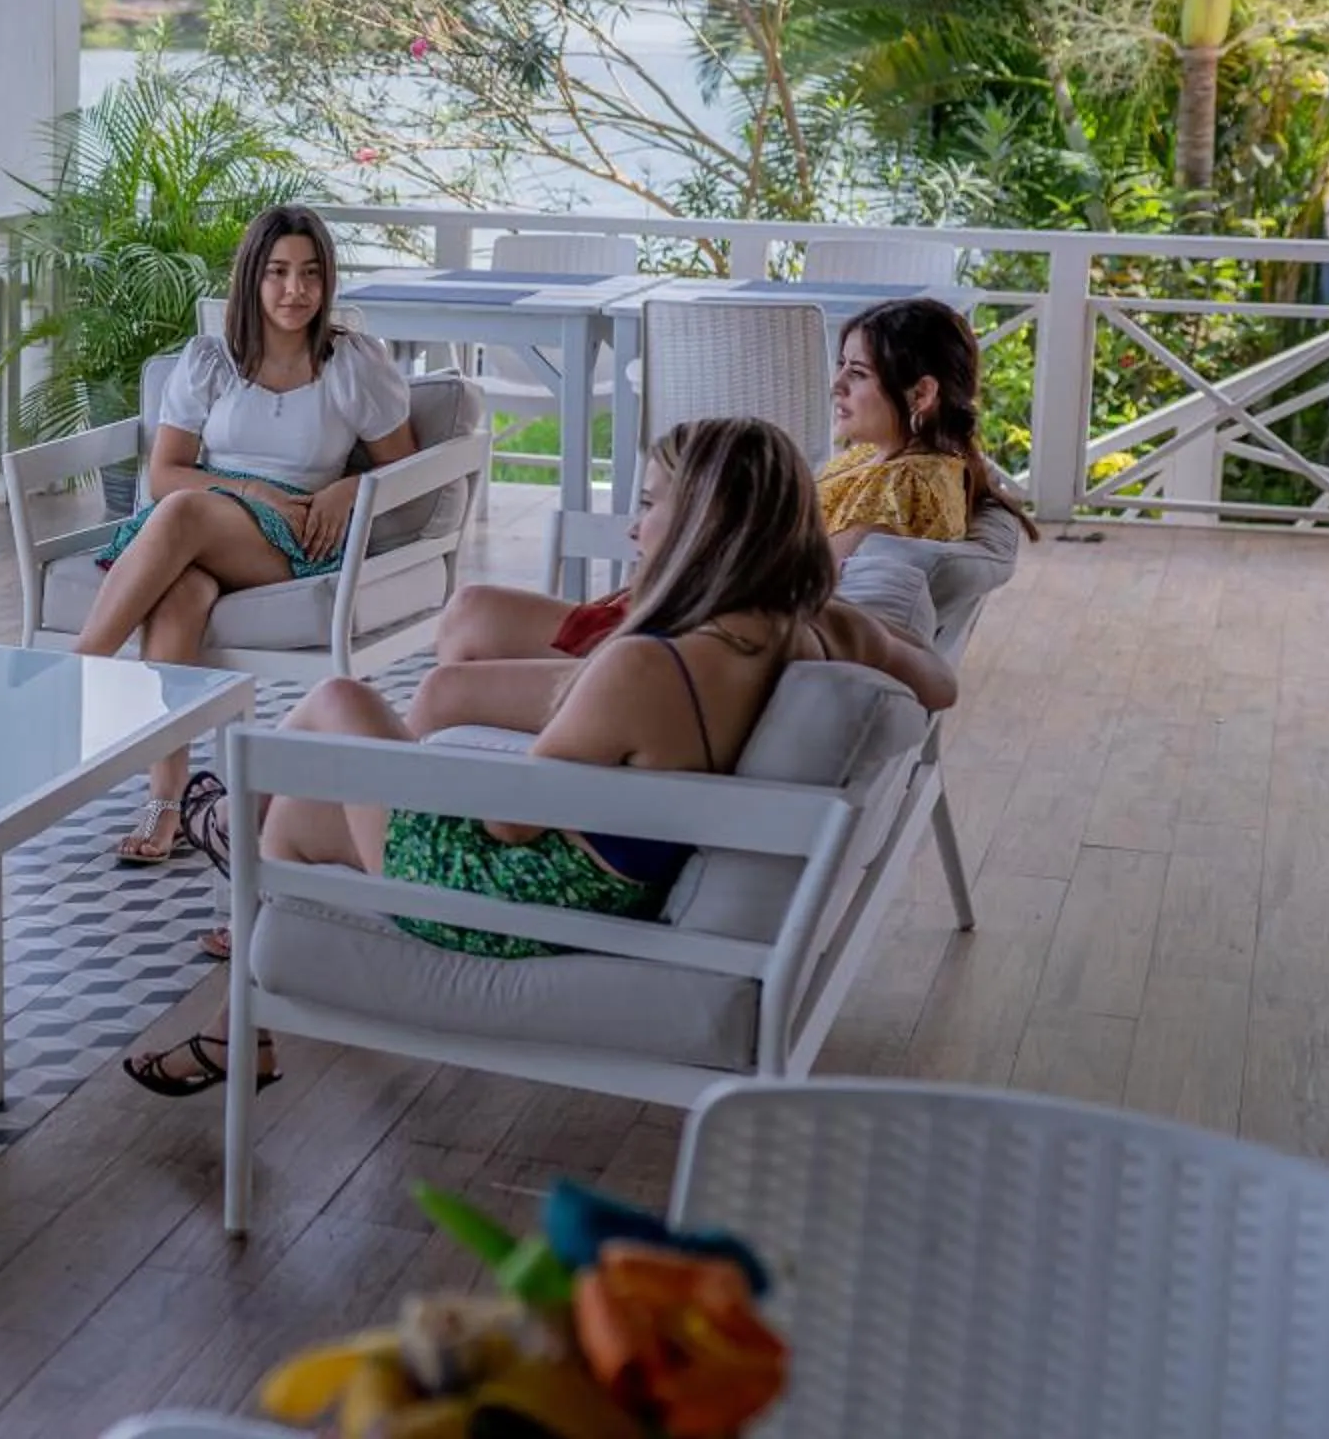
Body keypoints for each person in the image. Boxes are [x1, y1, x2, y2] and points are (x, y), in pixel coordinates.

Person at [124, 417, 958, 1096]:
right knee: (299, 818)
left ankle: (224, 821)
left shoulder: (646, 667)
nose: (633, 526)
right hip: (605, 884)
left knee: (339, 705)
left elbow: (508, 823)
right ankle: (240, 1016)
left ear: (704, 526)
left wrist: (555, 710)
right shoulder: (819, 627)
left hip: (516, 900)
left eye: (649, 504)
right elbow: (937, 684)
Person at [417, 294, 1027, 729]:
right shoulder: (884, 461)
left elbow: (810, 577)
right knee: (469, 615)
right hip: (695, 620)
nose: (837, 384)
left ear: (922, 393)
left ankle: (454, 763)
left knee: (467, 628)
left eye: (858, 373)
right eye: (841, 366)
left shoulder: (911, 485)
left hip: (697, 641)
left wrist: (696, 551)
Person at [73, 204, 421, 863]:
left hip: (294, 535)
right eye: (278, 272)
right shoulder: (211, 360)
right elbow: (165, 473)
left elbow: (403, 467)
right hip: (212, 517)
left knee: (184, 516)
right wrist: (250, 492)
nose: (295, 290)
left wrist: (346, 489)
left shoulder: (350, 364)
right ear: (252, 279)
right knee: (180, 593)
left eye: (311, 273)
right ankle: (168, 804)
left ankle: (76, 676)